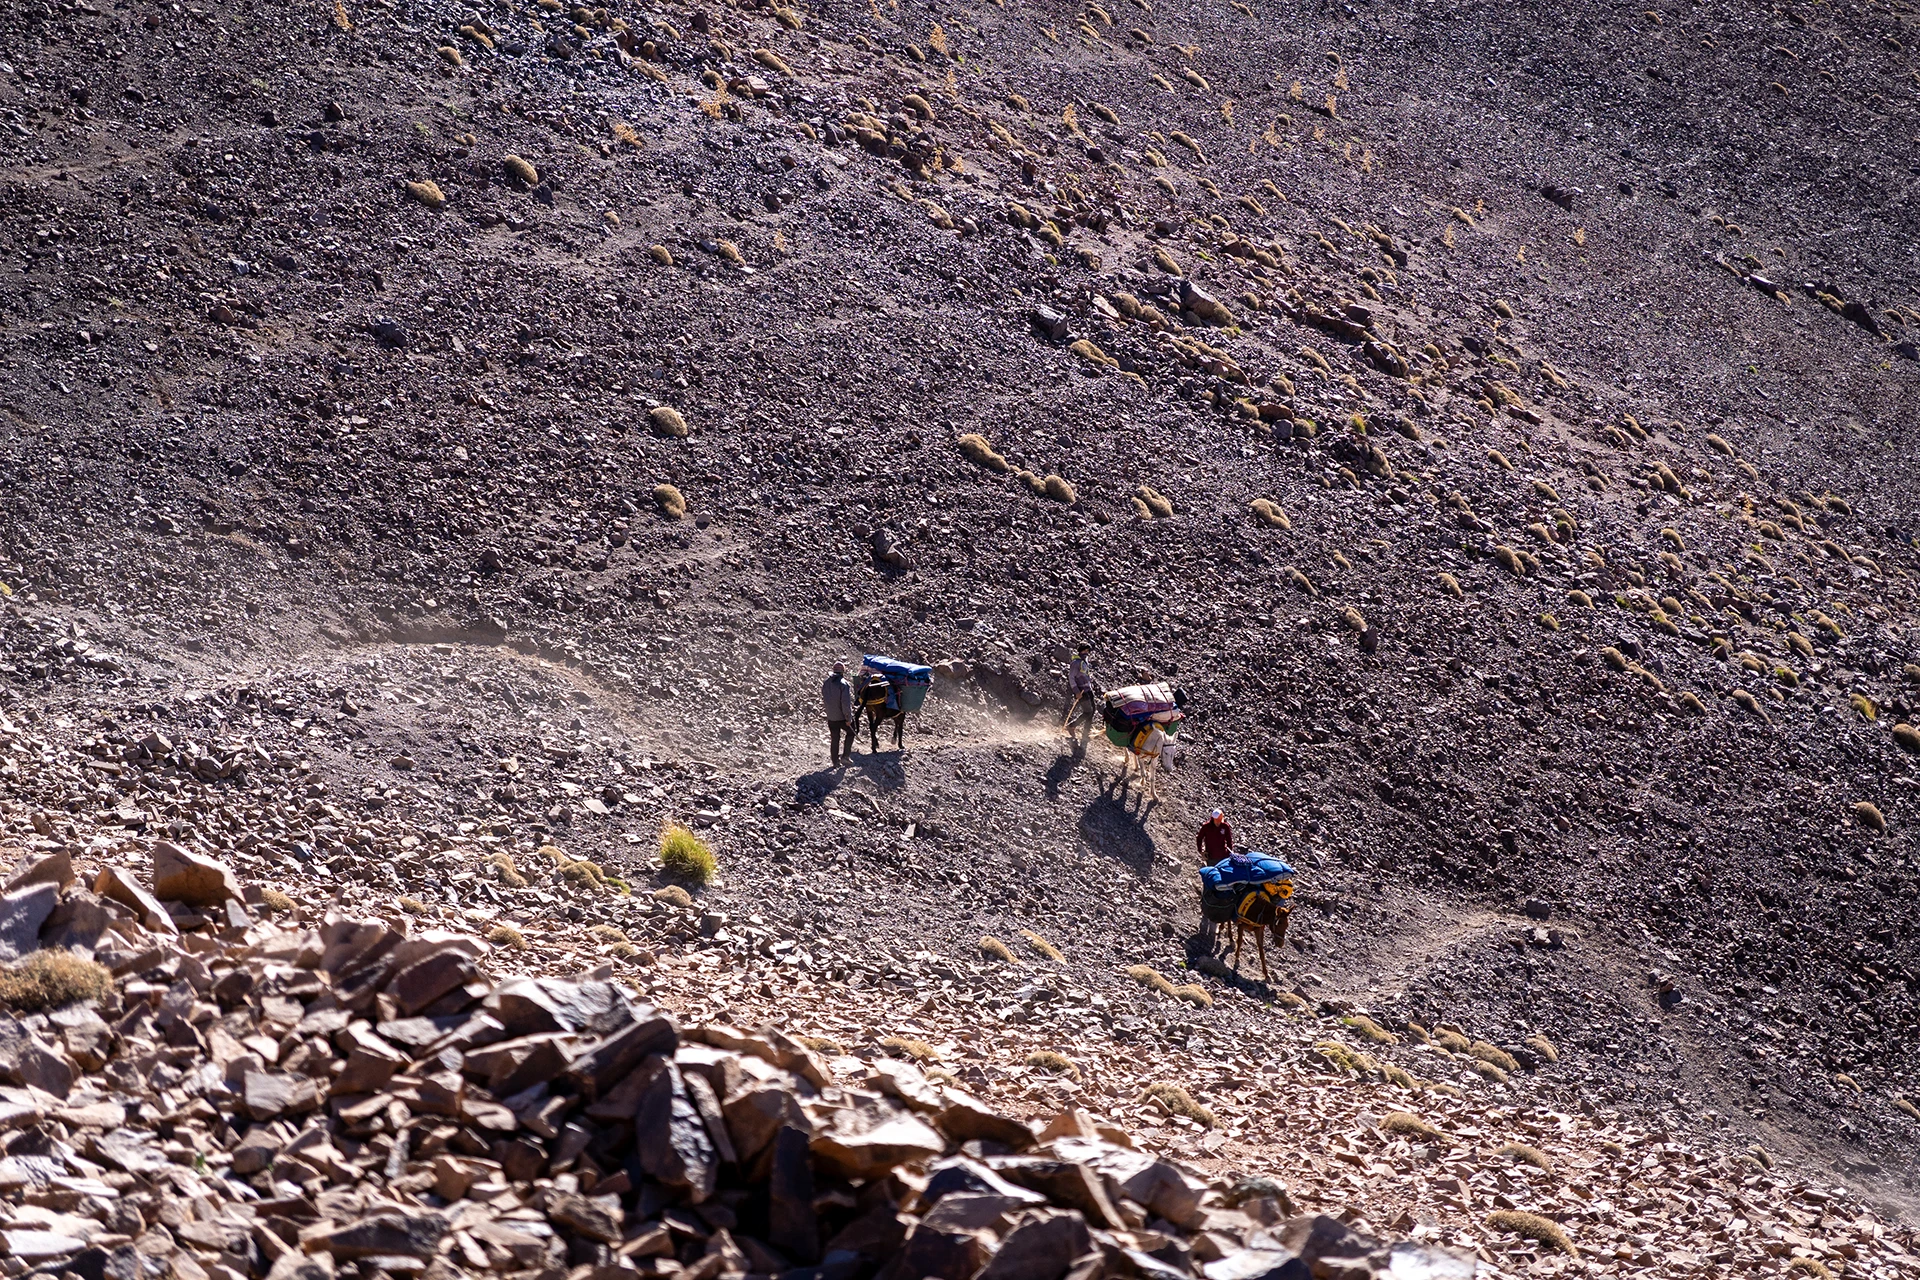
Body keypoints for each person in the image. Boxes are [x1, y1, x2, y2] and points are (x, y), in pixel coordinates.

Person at [821, 662, 854, 766]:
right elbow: (845, 703)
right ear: (843, 671)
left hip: (831, 717)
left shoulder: (826, 682)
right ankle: (845, 757)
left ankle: (835, 761)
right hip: (841, 718)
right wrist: (848, 718)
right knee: (851, 732)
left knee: (835, 738)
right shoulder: (844, 684)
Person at [1063, 644, 1096, 734]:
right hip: (1081, 690)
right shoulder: (1076, 663)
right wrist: (1076, 691)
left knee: (1093, 710)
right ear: (1080, 651)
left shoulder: (1084, 661)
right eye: (1085, 651)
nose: (1086, 653)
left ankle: (1086, 731)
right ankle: (1071, 726)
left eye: (1087, 651)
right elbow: (1071, 678)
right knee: (1088, 711)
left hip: (1088, 689)